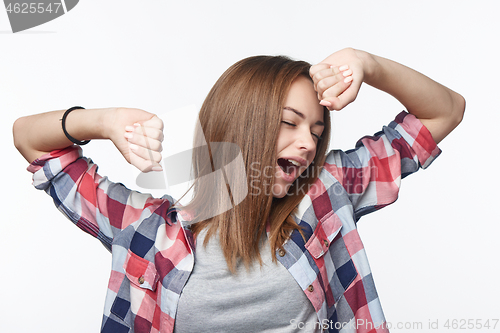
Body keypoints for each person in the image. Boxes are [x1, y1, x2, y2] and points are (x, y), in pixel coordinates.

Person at [13, 48, 464, 333]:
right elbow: (31, 141)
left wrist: (369, 64)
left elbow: (443, 113)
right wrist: (102, 120)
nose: (308, 142)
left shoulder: (323, 194)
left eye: (316, 128)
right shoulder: (147, 229)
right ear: (239, 125)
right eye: (289, 122)